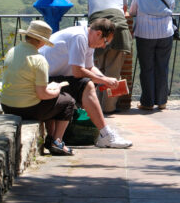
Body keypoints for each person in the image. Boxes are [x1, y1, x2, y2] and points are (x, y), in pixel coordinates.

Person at [39, 18, 133, 148]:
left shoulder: (88, 40)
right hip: (45, 80)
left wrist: (105, 79)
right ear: (98, 33)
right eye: (105, 41)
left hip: (54, 77)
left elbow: (89, 67)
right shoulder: (79, 38)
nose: (104, 46)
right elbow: (78, 72)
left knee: (90, 82)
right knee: (87, 85)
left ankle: (102, 135)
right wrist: (103, 80)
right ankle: (105, 135)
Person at [0, 20, 76, 156]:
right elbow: (42, 95)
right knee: (68, 101)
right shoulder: (39, 60)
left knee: (54, 102)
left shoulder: (12, 51)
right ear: (41, 41)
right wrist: (56, 90)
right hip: (27, 109)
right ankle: (57, 141)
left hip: (7, 106)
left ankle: (50, 137)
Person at [128, 0, 175, 110]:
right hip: (165, 33)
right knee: (162, 67)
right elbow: (171, 7)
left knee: (147, 68)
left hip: (145, 34)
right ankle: (162, 101)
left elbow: (132, 11)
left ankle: (147, 102)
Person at [86, 0, 132, 113]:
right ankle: (108, 107)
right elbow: (124, 9)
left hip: (96, 28)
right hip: (117, 28)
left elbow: (89, 8)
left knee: (97, 69)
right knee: (113, 70)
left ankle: (96, 105)